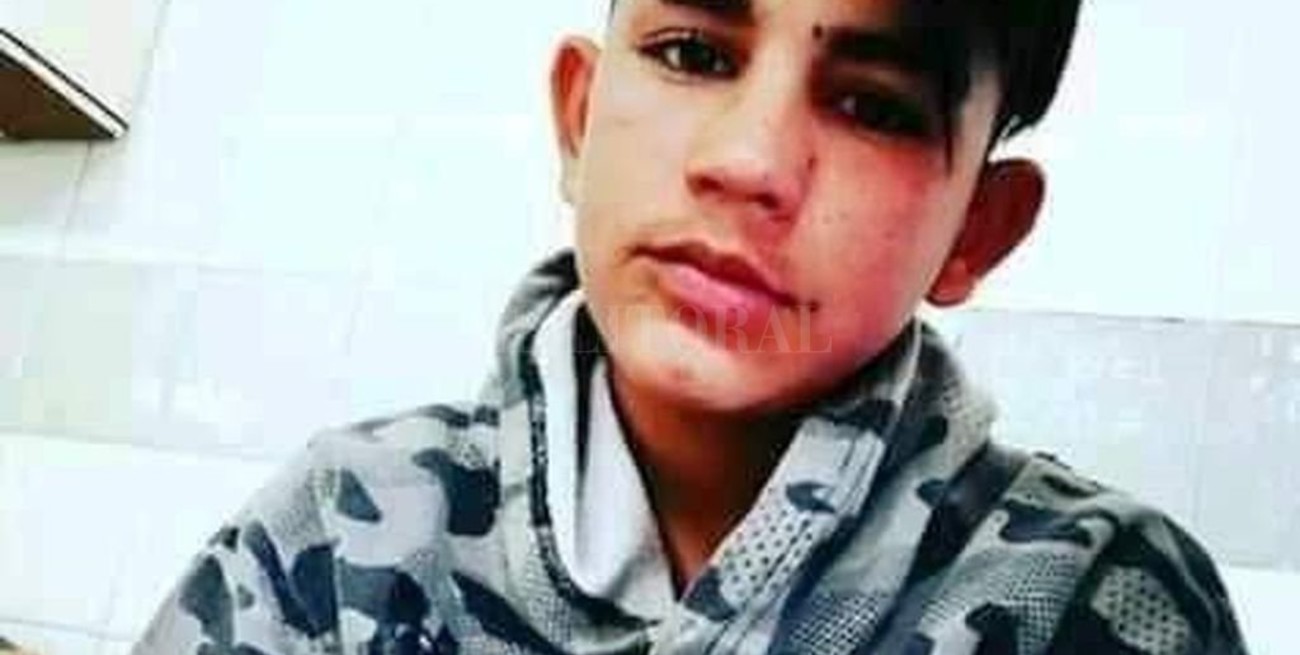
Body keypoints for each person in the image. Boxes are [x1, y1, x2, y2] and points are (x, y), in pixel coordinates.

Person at [132, 0, 1249, 653]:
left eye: (872, 106)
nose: (749, 161)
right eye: (693, 54)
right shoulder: (339, 534)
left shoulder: (1091, 601)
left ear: (977, 231)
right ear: (579, 120)